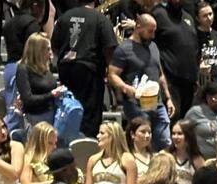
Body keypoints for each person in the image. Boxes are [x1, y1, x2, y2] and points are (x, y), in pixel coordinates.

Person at [52, 0, 118, 137]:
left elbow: (55, 46)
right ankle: (86, 145)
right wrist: (109, 72)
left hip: (65, 68)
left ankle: (65, 140)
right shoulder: (100, 19)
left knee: (68, 106)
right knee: (89, 113)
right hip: (89, 70)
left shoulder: (64, 17)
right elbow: (109, 48)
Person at [108, 13, 173, 150]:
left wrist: (168, 98)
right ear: (138, 27)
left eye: (154, 31)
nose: (153, 35)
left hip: (157, 102)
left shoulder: (153, 46)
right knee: (142, 140)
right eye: (150, 31)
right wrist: (125, 88)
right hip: (136, 103)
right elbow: (112, 74)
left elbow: (160, 74)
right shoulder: (124, 49)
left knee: (165, 140)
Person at [153, 0, 198, 117]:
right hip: (170, 79)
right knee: (173, 117)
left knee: (187, 122)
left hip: (189, 81)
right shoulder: (158, 14)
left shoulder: (188, 17)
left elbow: (193, 46)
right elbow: (151, 45)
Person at [16, 31, 63, 129]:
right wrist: (52, 94)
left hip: (52, 115)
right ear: (38, 50)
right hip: (35, 119)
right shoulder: (23, 69)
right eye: (48, 49)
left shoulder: (46, 68)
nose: (51, 52)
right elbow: (28, 99)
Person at [184, 79, 217, 159]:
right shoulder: (195, 112)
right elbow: (183, 132)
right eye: (214, 99)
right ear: (207, 97)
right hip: (203, 160)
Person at [20, 120, 58, 184]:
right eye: (50, 143)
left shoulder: (49, 160)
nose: (54, 147)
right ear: (40, 142)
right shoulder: (27, 159)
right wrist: (52, 183)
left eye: (55, 143)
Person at [196, 2, 217, 85]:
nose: (209, 18)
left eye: (210, 14)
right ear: (198, 19)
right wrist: (199, 69)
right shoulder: (194, 36)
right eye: (205, 16)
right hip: (201, 83)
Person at [123, 114, 154, 184]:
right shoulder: (126, 157)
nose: (147, 135)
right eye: (143, 132)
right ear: (132, 134)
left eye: (149, 132)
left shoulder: (154, 157)